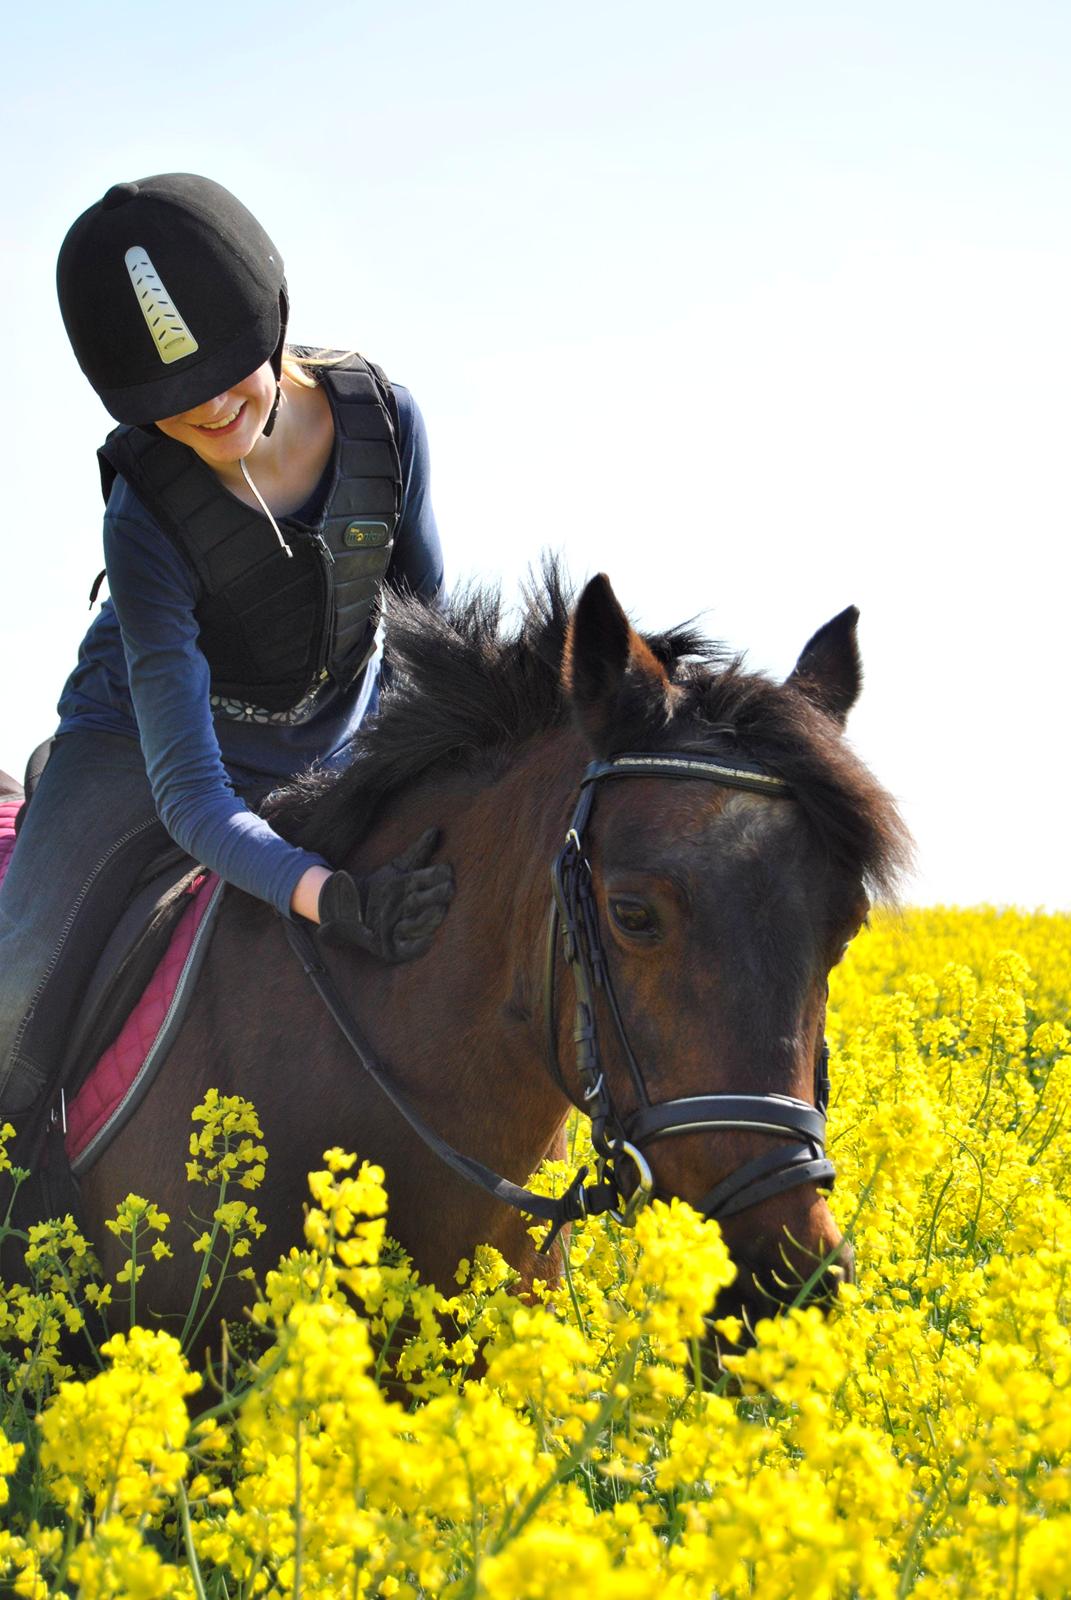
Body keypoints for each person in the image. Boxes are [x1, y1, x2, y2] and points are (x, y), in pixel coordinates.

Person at [0, 172, 454, 1130]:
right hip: (144, 751)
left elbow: (429, 653)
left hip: (334, 735)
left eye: (225, 373)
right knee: (17, 986)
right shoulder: (143, 515)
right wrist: (328, 898)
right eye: (168, 401)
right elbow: (191, 798)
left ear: (274, 323)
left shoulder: (387, 420)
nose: (208, 412)